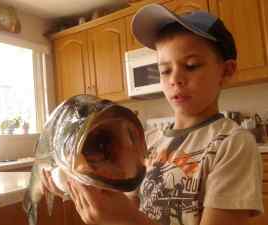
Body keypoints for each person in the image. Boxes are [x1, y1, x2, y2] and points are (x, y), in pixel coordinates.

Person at [42, 4, 264, 225]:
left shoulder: (233, 144)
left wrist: (127, 218)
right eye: (165, 70)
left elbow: (129, 217)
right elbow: (125, 206)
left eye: (191, 65)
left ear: (226, 71)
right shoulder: (146, 141)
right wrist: (78, 189)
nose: (174, 79)